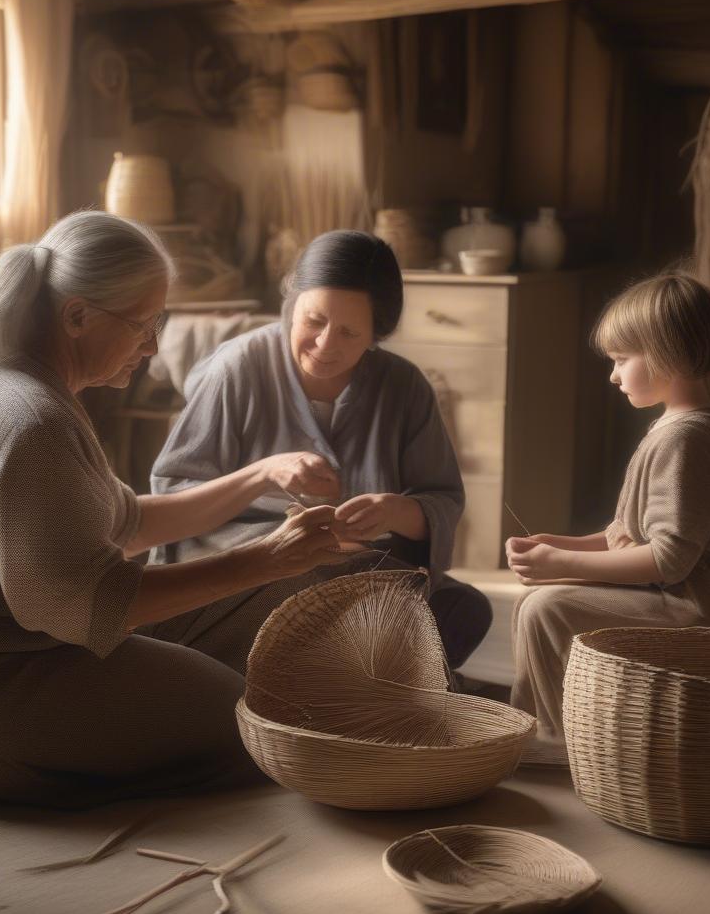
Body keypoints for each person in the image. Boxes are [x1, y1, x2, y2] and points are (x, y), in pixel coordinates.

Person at [0, 211, 380, 807]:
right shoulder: (32, 420)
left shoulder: (2, 379)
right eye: (144, 324)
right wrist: (264, 558)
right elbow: (85, 608)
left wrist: (260, 474)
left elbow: (126, 523)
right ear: (77, 316)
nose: (153, 346)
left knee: (272, 605)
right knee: (254, 726)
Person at [150, 229, 492, 671]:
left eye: (350, 332)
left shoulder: (404, 387)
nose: (326, 344)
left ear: (377, 333)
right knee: (314, 585)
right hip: (250, 562)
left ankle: (349, 683)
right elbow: (172, 492)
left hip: (362, 567)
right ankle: (345, 683)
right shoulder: (236, 369)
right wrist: (267, 479)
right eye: (314, 320)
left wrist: (394, 511)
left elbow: (441, 500)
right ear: (291, 308)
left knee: (464, 609)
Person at [506, 272, 710, 763]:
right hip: (675, 590)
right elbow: (628, 534)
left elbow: (669, 560)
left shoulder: (687, 439)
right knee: (533, 602)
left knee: (546, 608)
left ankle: (557, 742)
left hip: (693, 604)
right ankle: (542, 721)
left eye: (622, 360)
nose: (613, 375)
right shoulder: (678, 428)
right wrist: (561, 545)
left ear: (668, 354)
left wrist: (561, 562)